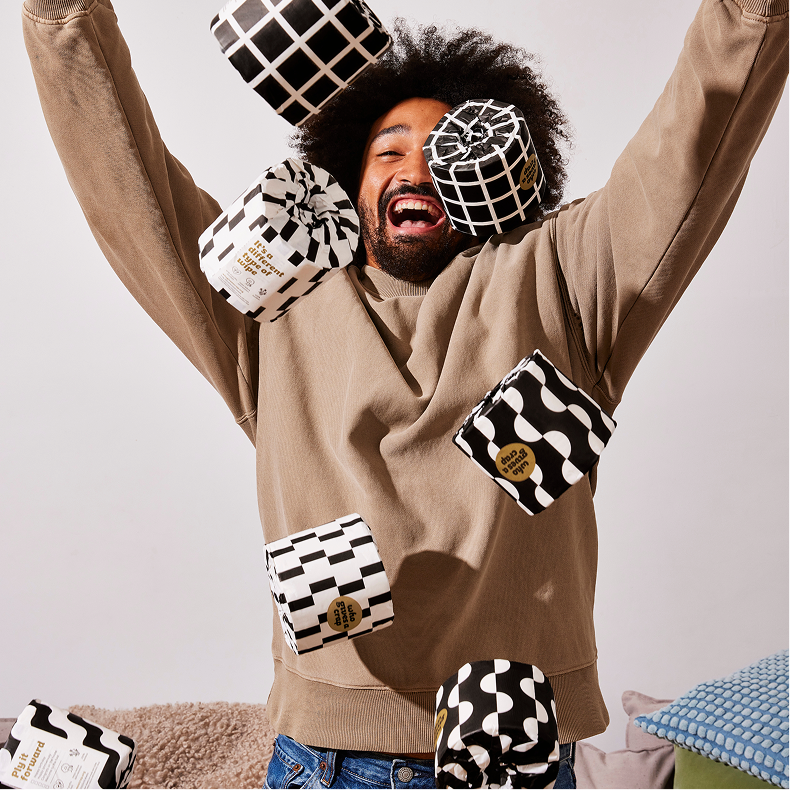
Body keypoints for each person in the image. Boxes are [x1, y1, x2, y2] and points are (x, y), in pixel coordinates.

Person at [21, 1, 789, 789]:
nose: (414, 167)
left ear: (500, 175)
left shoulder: (560, 276)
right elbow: (136, 197)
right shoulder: (277, 307)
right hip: (324, 760)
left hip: (516, 762)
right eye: (387, 151)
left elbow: (690, 148)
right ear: (346, 188)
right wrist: (63, 20)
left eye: (443, 149)